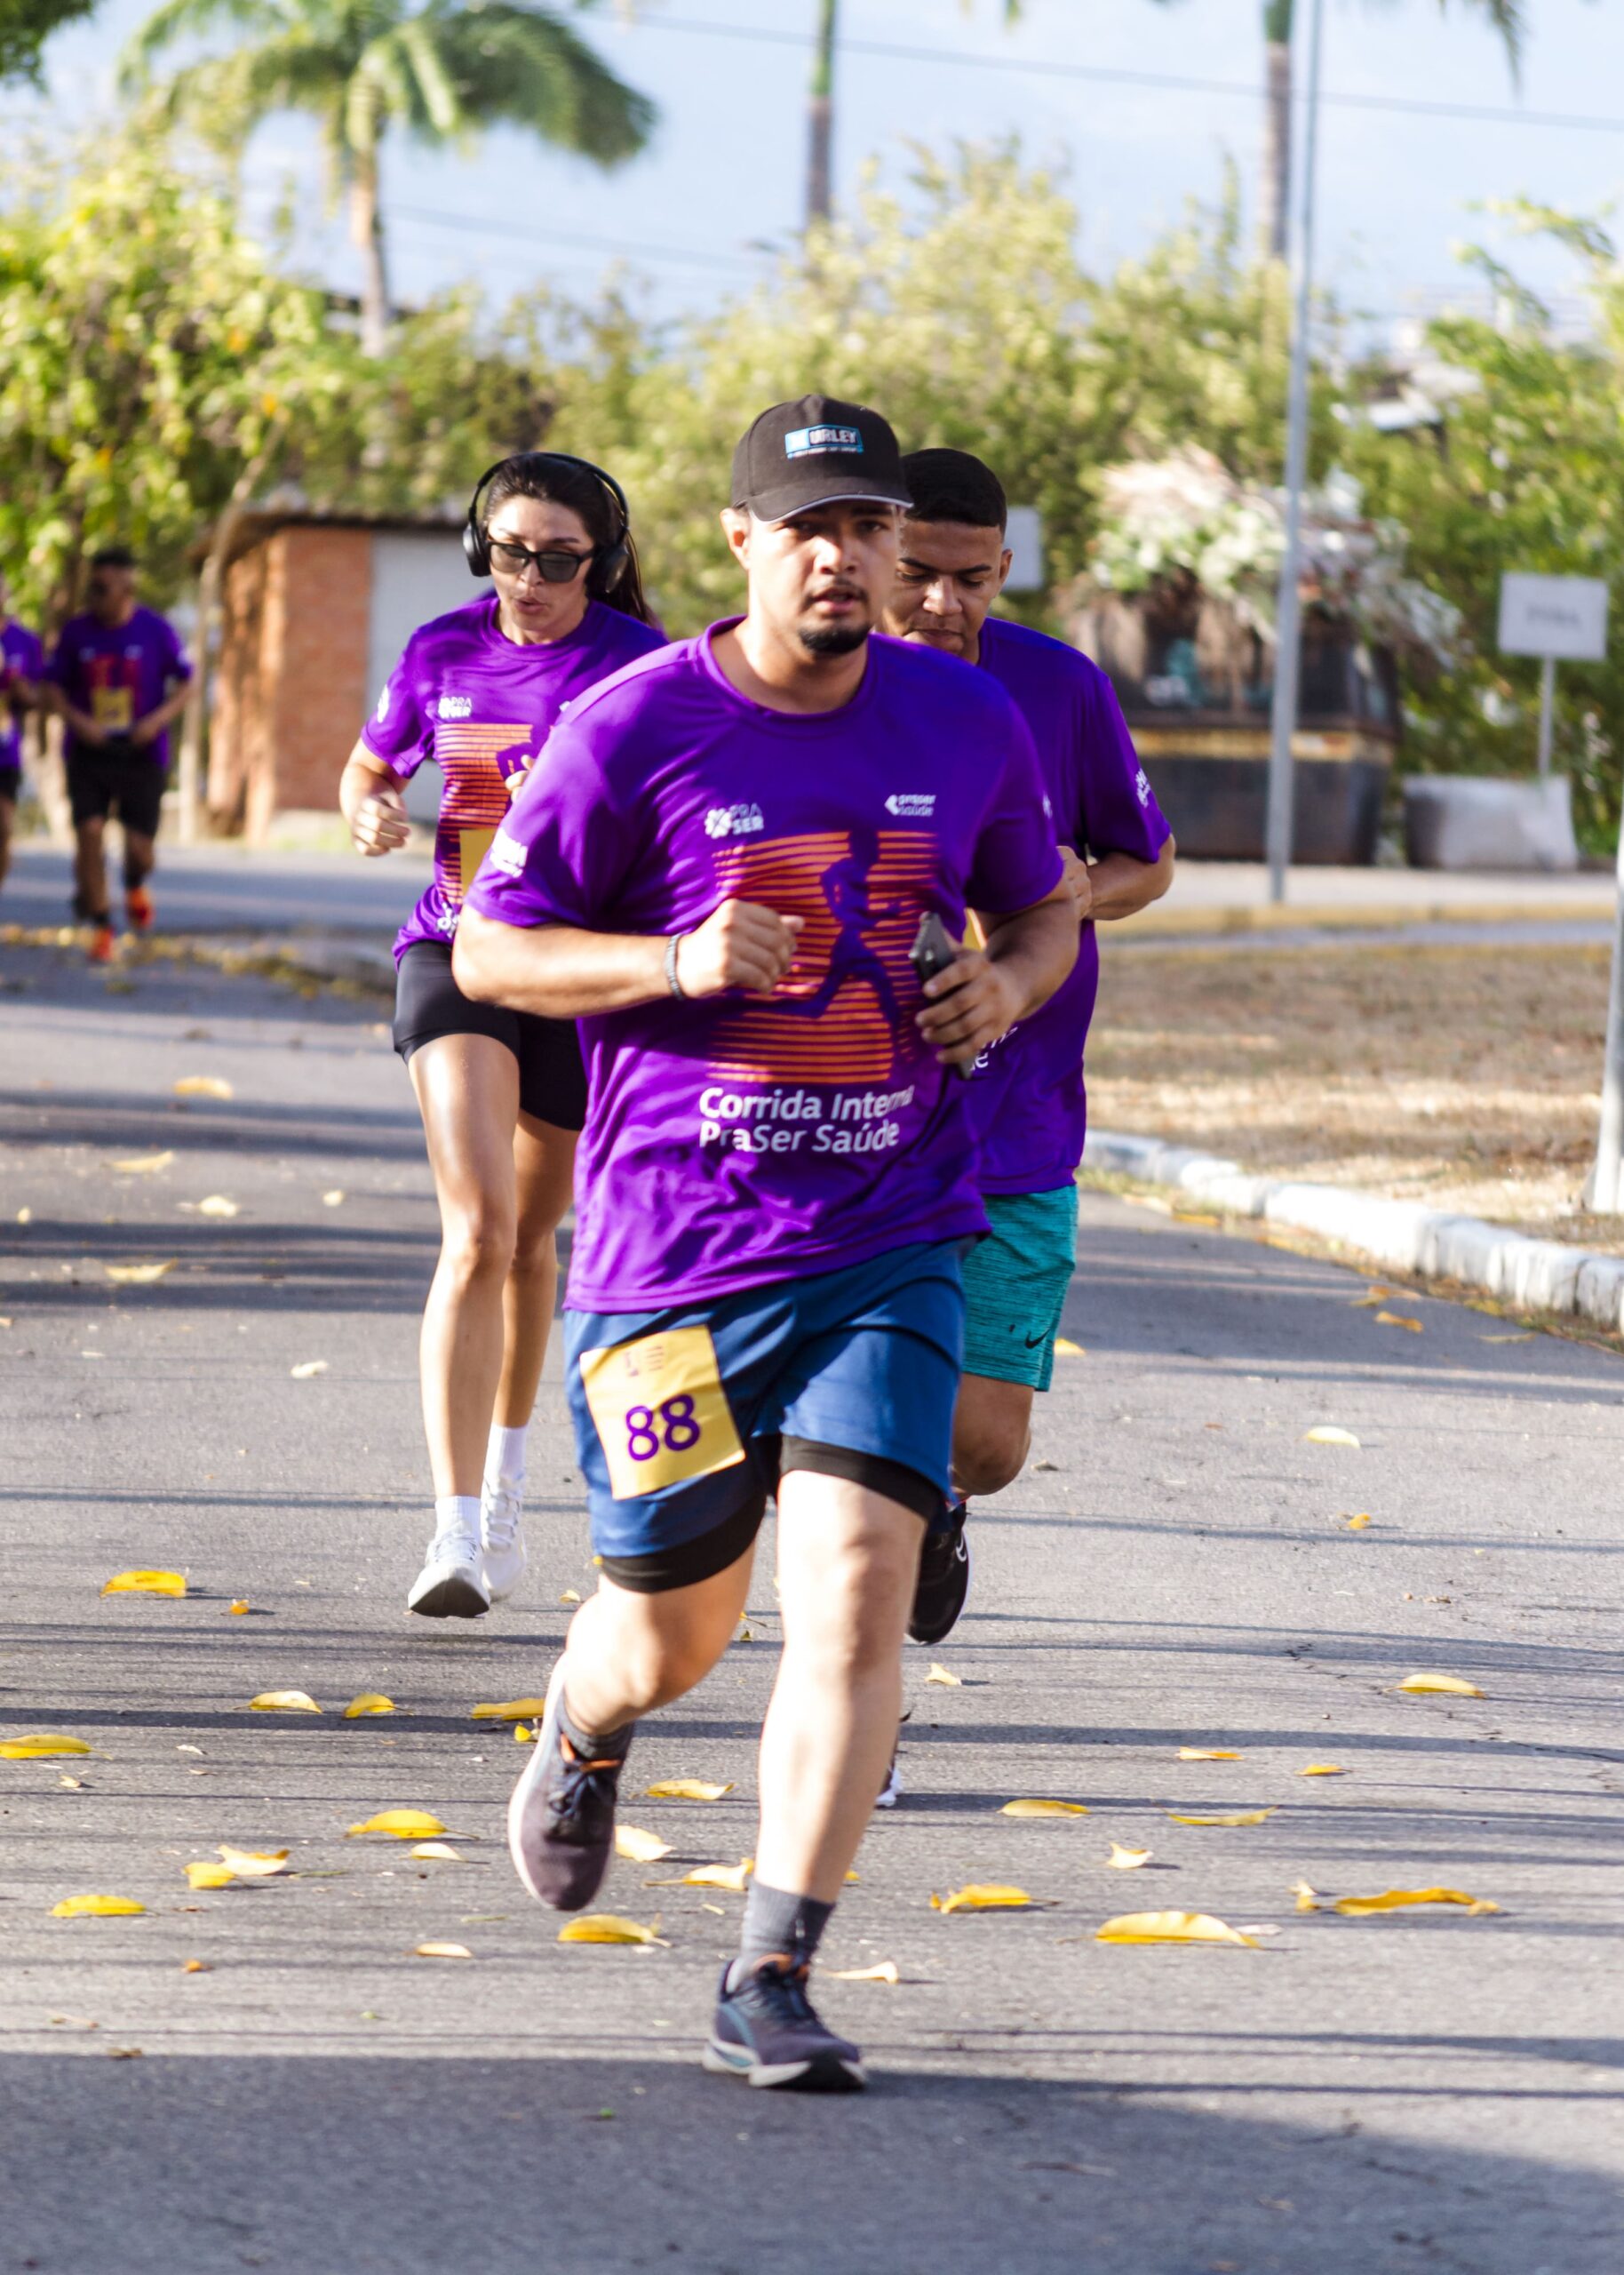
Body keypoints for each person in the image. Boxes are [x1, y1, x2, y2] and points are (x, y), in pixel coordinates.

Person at [454, 396, 1076, 2093]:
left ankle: (771, 1968)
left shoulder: (962, 717)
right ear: (740, 540)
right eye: (808, 528)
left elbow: (1043, 903)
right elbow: (496, 954)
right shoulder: (632, 722)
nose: (843, 558)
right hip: (671, 1259)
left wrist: (1006, 984)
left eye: (866, 527)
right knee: (673, 1629)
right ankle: (585, 1720)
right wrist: (668, 963)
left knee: (856, 1598)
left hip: (890, 1235)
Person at [340, 452, 665, 1620]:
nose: (530, 577)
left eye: (558, 559)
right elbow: (368, 767)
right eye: (512, 552)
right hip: (457, 950)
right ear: (484, 548)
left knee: (532, 1243)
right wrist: (372, 806)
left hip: (577, 973)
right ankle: (456, 1529)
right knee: (476, 1229)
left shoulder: (643, 668)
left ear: (600, 563)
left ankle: (512, 1489)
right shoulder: (441, 650)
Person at [882, 448, 1174, 1643]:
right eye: (917, 572)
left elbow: (1148, 859)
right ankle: (867, 1560)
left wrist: (1070, 892)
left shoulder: (1058, 687)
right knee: (856, 1408)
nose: (941, 602)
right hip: (852, 1119)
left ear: (1004, 568)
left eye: (970, 579)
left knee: (988, 1444)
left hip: (1021, 1117)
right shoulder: (815, 685)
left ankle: (936, 1502)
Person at [44, 547, 192, 962]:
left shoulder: (156, 630)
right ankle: (102, 926)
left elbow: (187, 682)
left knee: (140, 851)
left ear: (127, 587)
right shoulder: (76, 632)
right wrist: (78, 721)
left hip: (141, 752)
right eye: (90, 587)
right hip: (89, 752)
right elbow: (52, 686)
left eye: (102, 588)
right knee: (89, 832)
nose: (93, 595)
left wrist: (156, 722)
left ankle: (133, 883)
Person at [0, 575, 44, 896]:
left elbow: (39, 697)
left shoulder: (24, 641)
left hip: (5, 751)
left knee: (3, 828)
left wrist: (21, 689)